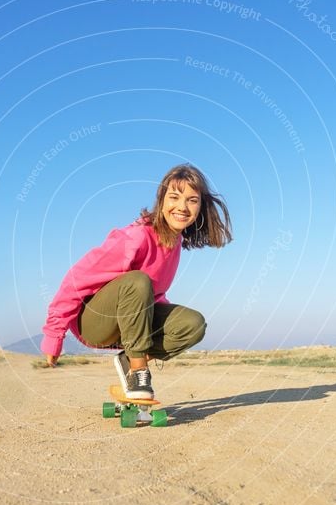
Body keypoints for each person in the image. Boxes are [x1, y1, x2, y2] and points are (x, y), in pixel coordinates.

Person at [40, 164, 232, 399]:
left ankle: (130, 358)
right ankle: (139, 371)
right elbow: (76, 279)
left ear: (200, 206)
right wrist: (54, 335)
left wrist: (169, 320)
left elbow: (155, 295)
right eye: (174, 197)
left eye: (192, 200)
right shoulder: (137, 236)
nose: (182, 207)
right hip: (94, 322)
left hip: (129, 323)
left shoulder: (175, 243)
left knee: (193, 324)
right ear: (161, 200)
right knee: (138, 281)